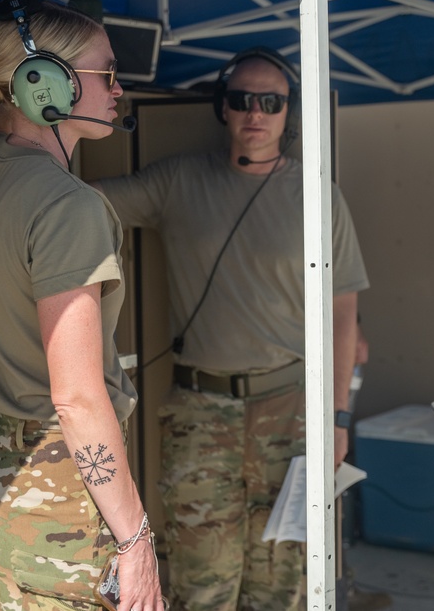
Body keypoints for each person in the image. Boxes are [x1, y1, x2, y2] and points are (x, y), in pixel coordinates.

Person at [93, 48, 369, 610]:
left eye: (272, 102)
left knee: (283, 579)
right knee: (203, 581)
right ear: (223, 107)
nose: (256, 114)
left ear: (290, 111)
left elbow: (345, 316)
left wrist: (338, 418)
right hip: (202, 412)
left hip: (291, 412)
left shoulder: (319, 196)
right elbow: (84, 204)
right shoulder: (179, 181)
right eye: (243, 100)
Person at [0, 0, 164, 611]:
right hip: (56, 504)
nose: (119, 90)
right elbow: (76, 396)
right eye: (107, 74)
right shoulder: (68, 205)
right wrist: (137, 540)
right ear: (43, 84)